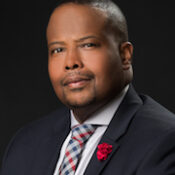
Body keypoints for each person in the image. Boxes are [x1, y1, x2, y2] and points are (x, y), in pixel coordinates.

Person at [1, 0, 175, 174]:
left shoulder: (164, 141)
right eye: (58, 50)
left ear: (124, 56)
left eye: (88, 45)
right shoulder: (25, 143)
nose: (71, 63)